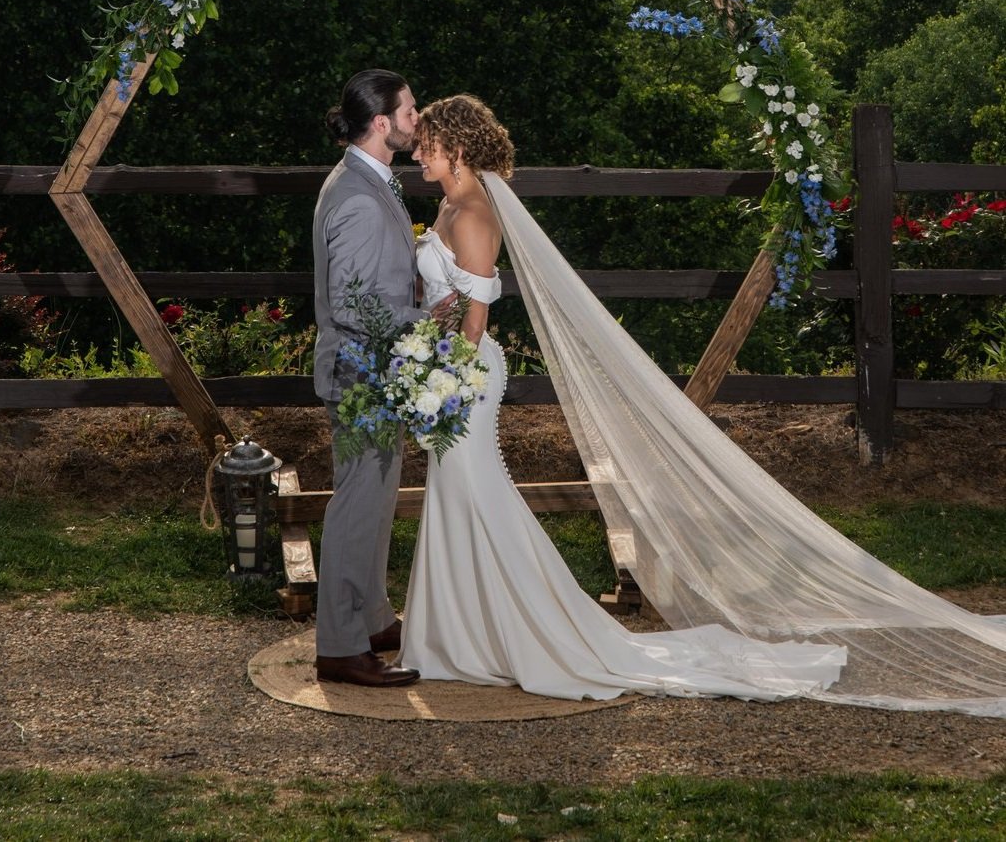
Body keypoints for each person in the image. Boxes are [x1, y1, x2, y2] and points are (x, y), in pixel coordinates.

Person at [398, 96, 1006, 714]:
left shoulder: (473, 211)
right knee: (458, 492)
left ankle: (515, 633)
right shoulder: (449, 203)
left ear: (459, 147)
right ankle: (459, 632)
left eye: (429, 144)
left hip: (464, 375)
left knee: (475, 490)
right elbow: (444, 302)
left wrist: (436, 377)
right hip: (447, 367)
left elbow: (475, 317)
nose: (419, 152)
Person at [312, 68, 421, 688]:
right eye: (410, 110)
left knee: (377, 504)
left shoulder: (370, 182)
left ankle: (374, 619)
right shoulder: (356, 194)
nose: (416, 118)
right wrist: (422, 318)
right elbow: (353, 305)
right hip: (361, 375)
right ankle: (341, 647)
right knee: (357, 507)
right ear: (381, 123)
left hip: (378, 372)